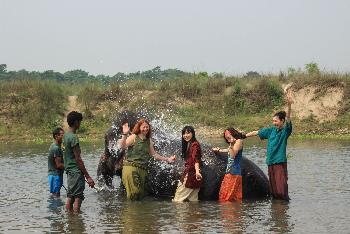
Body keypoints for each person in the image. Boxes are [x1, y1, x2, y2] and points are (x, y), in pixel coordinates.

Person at [244, 87, 293, 201]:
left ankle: (284, 209)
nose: (274, 123)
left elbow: (289, 117)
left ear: (282, 121)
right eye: (273, 121)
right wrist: (243, 136)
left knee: (281, 188)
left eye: (276, 121)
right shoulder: (271, 130)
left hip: (279, 162)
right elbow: (257, 132)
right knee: (274, 190)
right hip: (270, 162)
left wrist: (289, 105)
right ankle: (277, 210)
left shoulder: (285, 131)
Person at [120, 118, 176, 200]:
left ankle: (138, 212)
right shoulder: (133, 137)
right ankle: (131, 212)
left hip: (142, 170)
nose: (145, 129)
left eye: (147, 127)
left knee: (140, 195)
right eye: (143, 127)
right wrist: (124, 134)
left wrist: (167, 159)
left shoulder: (148, 140)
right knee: (134, 193)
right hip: (131, 168)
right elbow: (122, 146)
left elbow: (154, 154)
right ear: (139, 127)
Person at [64, 111, 95, 212]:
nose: (80, 124)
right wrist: (88, 176)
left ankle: (70, 221)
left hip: (69, 171)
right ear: (76, 122)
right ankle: (77, 224)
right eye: (80, 121)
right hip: (76, 172)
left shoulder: (65, 136)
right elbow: (78, 159)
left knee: (70, 196)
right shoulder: (73, 138)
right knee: (78, 198)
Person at [212, 128, 244, 202]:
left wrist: (231, 144)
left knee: (226, 197)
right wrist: (219, 150)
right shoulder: (233, 144)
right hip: (231, 172)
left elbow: (233, 155)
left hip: (234, 173)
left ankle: (228, 213)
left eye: (228, 134)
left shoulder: (238, 141)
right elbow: (228, 151)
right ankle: (235, 212)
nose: (226, 136)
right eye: (225, 136)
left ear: (233, 133)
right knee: (233, 197)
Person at [173, 126, 203, 202]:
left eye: (188, 133)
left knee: (177, 200)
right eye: (184, 133)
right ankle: (194, 214)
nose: (185, 135)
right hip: (196, 177)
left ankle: (181, 214)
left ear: (193, 133)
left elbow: (196, 159)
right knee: (193, 201)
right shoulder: (191, 144)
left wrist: (197, 172)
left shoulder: (194, 145)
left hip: (190, 175)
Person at [48, 127, 65, 197]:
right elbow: (58, 165)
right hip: (55, 175)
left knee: (54, 195)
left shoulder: (54, 145)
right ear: (56, 136)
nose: (63, 137)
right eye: (62, 135)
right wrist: (69, 166)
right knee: (56, 196)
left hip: (54, 175)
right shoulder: (56, 148)